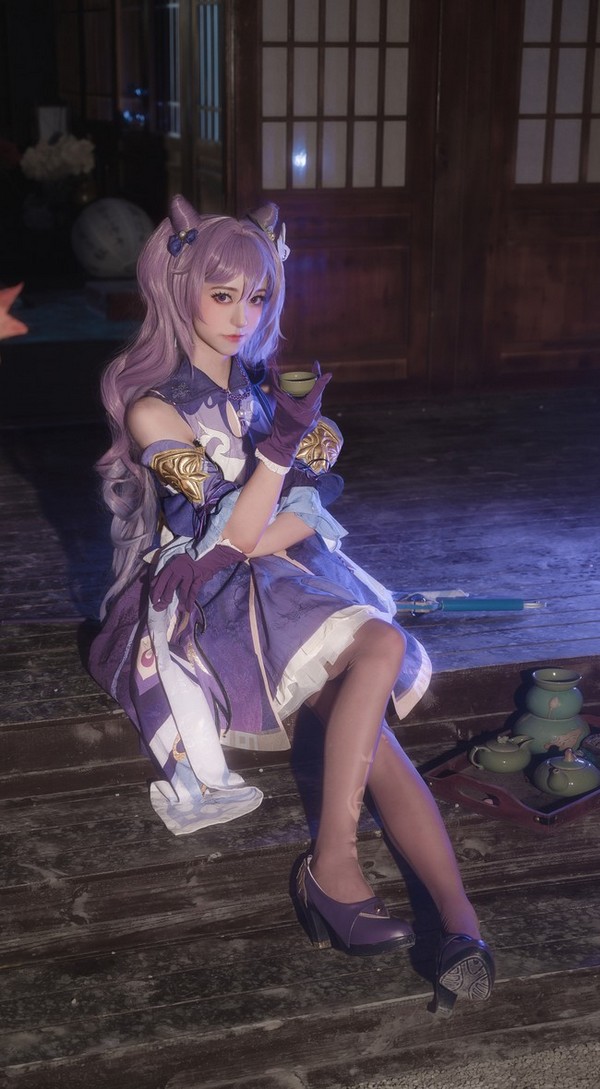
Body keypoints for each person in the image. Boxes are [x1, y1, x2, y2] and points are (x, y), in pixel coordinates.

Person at [89, 195, 494, 1013]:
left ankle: (447, 918)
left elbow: (292, 509)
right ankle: (357, 879)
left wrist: (299, 456)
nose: (243, 315)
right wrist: (283, 458)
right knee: (378, 652)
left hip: (284, 581)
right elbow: (232, 538)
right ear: (180, 289)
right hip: (209, 602)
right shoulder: (153, 409)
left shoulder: (254, 394)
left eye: (259, 296)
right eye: (223, 294)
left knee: (375, 714)